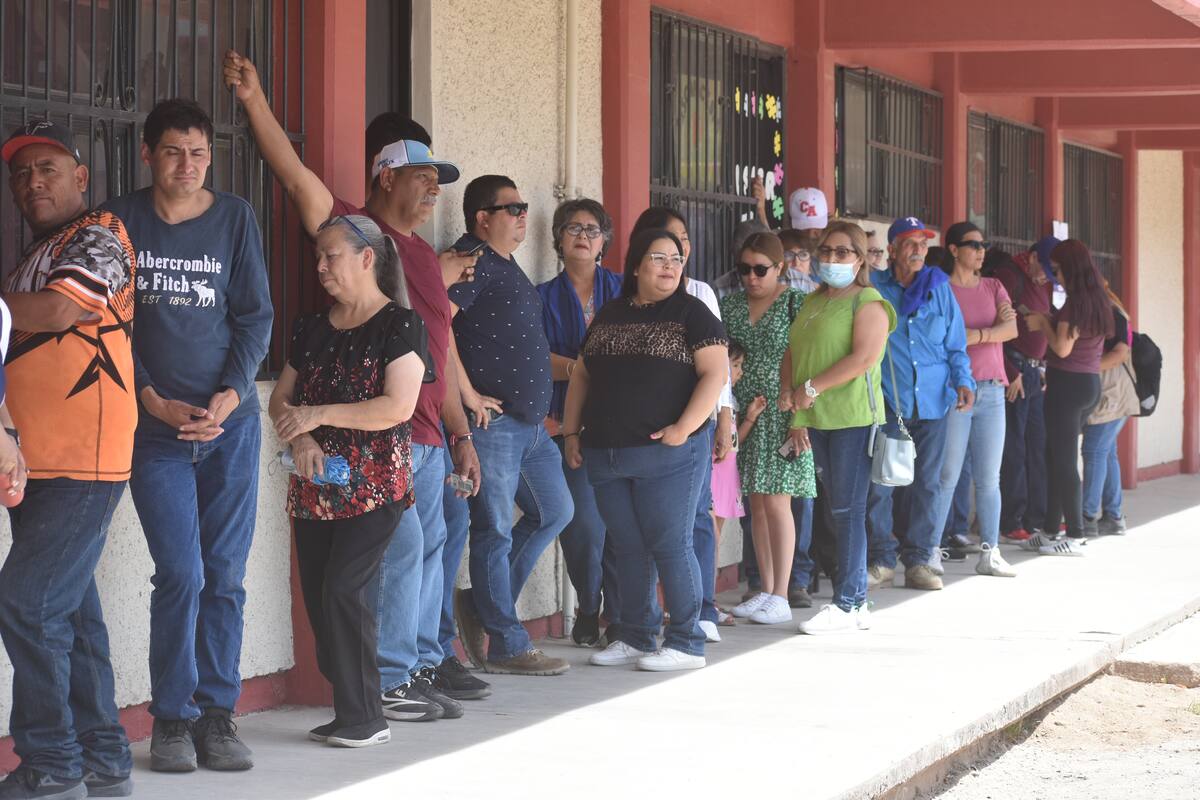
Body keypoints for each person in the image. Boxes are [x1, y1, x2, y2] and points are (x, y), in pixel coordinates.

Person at [223, 51, 489, 711]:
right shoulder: (355, 230)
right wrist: (255, 100)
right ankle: (390, 682)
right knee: (398, 560)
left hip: (430, 436)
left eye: (436, 182)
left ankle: (419, 667)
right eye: (424, 178)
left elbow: (442, 347)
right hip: (384, 434)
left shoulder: (428, 256)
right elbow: (293, 176)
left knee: (427, 558)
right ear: (385, 174)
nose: (434, 192)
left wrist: (461, 432)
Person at [100, 99, 272, 773]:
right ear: (148, 154)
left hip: (230, 430)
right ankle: (172, 719)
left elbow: (254, 317)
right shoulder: (119, 221)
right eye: (173, 152)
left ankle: (217, 715)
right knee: (182, 572)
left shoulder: (234, 218)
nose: (187, 165)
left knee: (224, 576)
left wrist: (230, 396)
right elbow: (110, 323)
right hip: (152, 433)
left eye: (199, 154)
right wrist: (153, 401)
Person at [0, 120, 136, 799]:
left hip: (83, 457)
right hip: (43, 462)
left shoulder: (99, 235)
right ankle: (105, 757)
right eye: (21, 175)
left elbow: (57, 311)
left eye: (47, 169)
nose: (32, 183)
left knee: (25, 603)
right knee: (70, 615)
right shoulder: (40, 247)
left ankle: (52, 762)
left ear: (81, 178)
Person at [269, 214, 432, 748]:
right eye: (318, 256)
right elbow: (281, 399)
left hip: (375, 485)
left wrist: (317, 417)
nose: (320, 266)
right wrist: (300, 437)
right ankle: (350, 710)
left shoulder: (399, 325)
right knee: (321, 598)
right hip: (314, 484)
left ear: (366, 258)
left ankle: (367, 718)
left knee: (345, 588)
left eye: (330, 255)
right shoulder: (311, 328)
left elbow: (396, 406)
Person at [563, 228, 728, 671]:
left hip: (668, 455)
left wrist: (683, 428)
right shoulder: (610, 314)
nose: (670, 266)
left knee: (670, 544)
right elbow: (583, 374)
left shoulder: (692, 314)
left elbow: (715, 374)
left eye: (676, 259)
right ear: (636, 265)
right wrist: (572, 432)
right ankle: (634, 634)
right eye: (659, 258)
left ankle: (687, 641)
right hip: (606, 453)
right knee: (627, 545)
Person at [447, 175, 573, 676]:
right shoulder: (471, 261)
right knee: (494, 530)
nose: (524, 214)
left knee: (555, 511)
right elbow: (439, 327)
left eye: (524, 206)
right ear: (482, 218)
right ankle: (506, 641)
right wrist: (467, 394)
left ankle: (481, 607)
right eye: (512, 207)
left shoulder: (503, 263)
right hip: (493, 428)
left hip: (530, 428)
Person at [782, 220, 894, 633]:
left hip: (853, 417)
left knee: (847, 510)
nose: (831, 259)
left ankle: (847, 602)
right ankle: (856, 602)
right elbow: (793, 350)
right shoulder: (813, 300)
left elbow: (864, 357)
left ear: (860, 259)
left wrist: (811, 387)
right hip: (817, 418)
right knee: (838, 508)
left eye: (842, 252)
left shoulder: (868, 300)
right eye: (825, 251)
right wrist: (792, 398)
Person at [628, 206, 733, 641]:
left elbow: (718, 367)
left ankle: (701, 609)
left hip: (694, 427)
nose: (677, 251)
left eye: (683, 242)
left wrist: (723, 419)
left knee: (695, 520)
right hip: (642, 431)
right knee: (647, 528)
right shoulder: (626, 305)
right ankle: (643, 619)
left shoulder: (701, 295)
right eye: (664, 245)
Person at [866, 217, 975, 591]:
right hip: (888, 403)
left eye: (922, 245)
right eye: (909, 243)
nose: (917, 250)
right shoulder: (874, 286)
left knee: (928, 483)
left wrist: (964, 381)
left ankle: (920, 561)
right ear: (892, 250)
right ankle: (881, 559)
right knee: (881, 483)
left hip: (932, 403)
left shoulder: (940, 289)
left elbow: (955, 346)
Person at [537, 197, 622, 646]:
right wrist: (581, 369)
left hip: (620, 426)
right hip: (561, 426)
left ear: (604, 239)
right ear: (558, 239)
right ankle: (589, 605)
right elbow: (533, 358)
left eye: (592, 229)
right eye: (573, 228)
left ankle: (620, 614)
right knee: (585, 525)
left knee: (622, 525)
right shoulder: (541, 297)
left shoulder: (626, 290)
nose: (583, 235)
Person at [721, 232, 816, 625]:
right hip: (747, 412)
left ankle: (782, 592)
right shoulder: (729, 305)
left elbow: (808, 362)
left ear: (781, 268)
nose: (752, 277)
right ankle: (766, 588)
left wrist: (800, 418)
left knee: (778, 501)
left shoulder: (796, 302)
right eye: (744, 269)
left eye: (761, 269)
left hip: (783, 410)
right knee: (755, 504)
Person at [930, 223, 1018, 577]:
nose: (981, 251)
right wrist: (990, 332)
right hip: (955, 390)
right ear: (953, 249)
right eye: (973, 245)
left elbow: (1011, 330)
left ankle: (991, 550)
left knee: (988, 477)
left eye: (984, 244)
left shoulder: (994, 285)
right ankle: (930, 550)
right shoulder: (941, 288)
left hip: (994, 388)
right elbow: (941, 338)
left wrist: (975, 334)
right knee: (947, 475)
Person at [1021, 240, 1112, 554]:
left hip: (1068, 386)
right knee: (1054, 456)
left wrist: (1043, 323)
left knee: (1062, 461)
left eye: (1056, 270)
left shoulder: (1076, 303)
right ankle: (1049, 530)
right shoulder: (1095, 299)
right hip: (1086, 384)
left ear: (1069, 268)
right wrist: (1050, 320)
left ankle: (1075, 534)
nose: (1054, 276)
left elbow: (1061, 348)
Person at [994, 238, 1058, 542]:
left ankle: (1039, 515)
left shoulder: (1042, 283)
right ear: (1031, 257)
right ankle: (1012, 519)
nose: (1046, 276)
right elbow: (996, 330)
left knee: (1038, 445)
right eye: (1044, 267)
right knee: (1015, 449)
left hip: (1035, 372)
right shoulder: (1010, 276)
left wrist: (1042, 366)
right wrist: (1011, 371)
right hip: (1016, 372)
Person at [1081, 284, 1138, 537]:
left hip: (1112, 392)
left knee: (1093, 450)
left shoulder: (1111, 312)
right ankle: (1114, 517)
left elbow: (1120, 353)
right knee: (1106, 452)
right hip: (1111, 391)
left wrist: (1084, 367)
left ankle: (1087, 517)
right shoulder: (1109, 309)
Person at [712, 341, 749, 540]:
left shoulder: (733, 402)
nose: (740, 371)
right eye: (735, 365)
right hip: (713, 470)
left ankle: (713, 570)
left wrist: (750, 418)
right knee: (709, 528)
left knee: (718, 529)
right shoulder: (712, 399)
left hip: (728, 472)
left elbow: (734, 443)